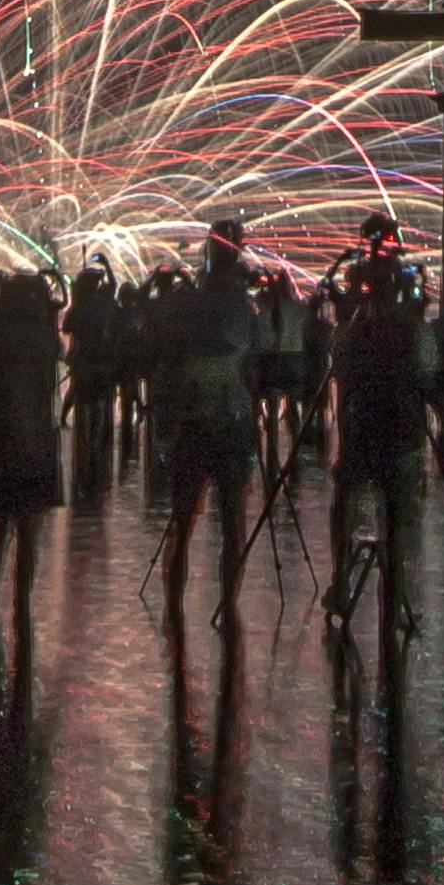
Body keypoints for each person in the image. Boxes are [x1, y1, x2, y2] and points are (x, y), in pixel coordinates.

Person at [323, 241, 431, 641]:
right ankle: (396, 594)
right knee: (397, 516)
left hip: (362, 432)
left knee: (344, 499)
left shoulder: (351, 330)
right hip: (400, 434)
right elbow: (426, 374)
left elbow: (341, 373)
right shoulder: (411, 327)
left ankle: (340, 579)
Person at [158, 222, 261, 621]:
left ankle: (173, 606)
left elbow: (171, 347)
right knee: (232, 517)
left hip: (193, 415)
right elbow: (261, 345)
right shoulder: (241, 304)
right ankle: (228, 604)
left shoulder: (191, 300)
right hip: (231, 416)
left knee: (183, 519)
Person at [0, 265, 67, 629]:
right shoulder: (42, 341)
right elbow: (58, 350)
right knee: (28, 538)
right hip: (34, 446)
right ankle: (22, 611)